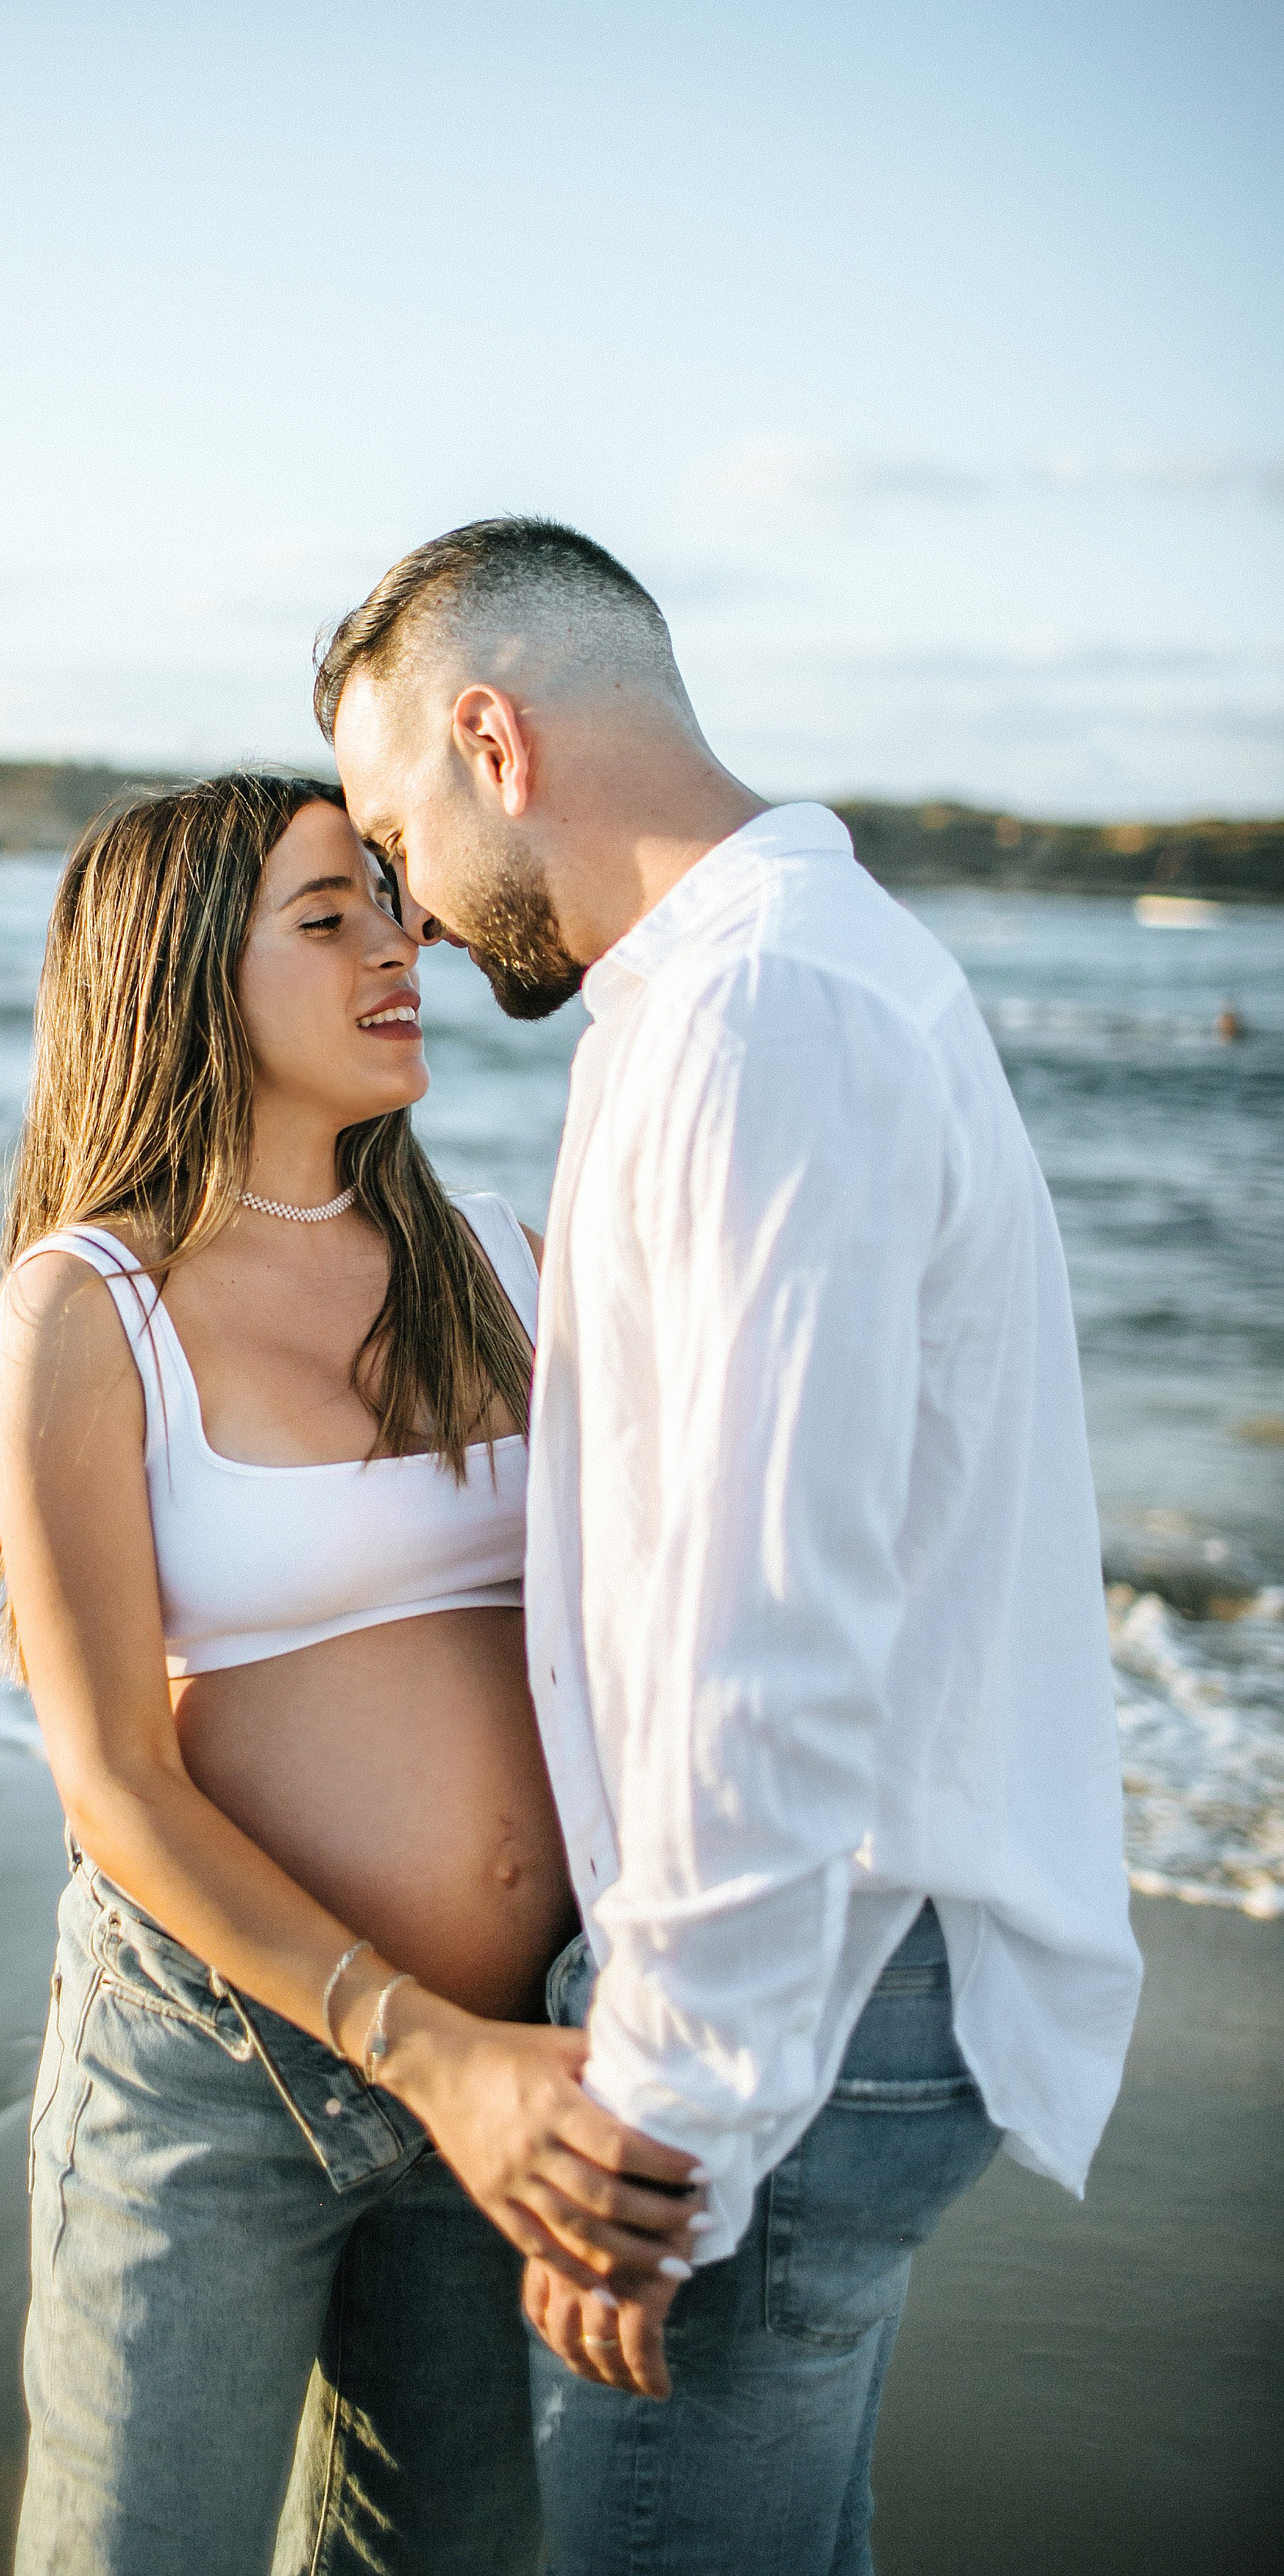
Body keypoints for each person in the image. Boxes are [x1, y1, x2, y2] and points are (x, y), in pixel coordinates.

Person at [318, 517, 1144, 2576]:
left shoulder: (760, 1013)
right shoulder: (768, 979)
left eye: (391, 834)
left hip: (803, 1998)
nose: (409, 914)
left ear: (492, 740)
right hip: (831, 1977)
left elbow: (768, 1619)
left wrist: (673, 2109)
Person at [0, 771, 700, 2576]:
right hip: (219, 2071)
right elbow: (111, 1782)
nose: (403, 946)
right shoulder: (90, 1308)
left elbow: (680, 1625)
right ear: (177, 979)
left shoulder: (506, 1261)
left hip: (519, 2058)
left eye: (391, 903)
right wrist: (417, 2046)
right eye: (328, 918)